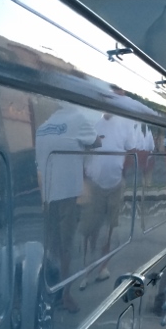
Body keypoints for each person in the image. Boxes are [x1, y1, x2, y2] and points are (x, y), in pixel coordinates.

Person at [35, 103, 98, 312]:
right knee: (66, 247)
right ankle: (65, 295)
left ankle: (49, 290)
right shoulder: (78, 118)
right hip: (67, 194)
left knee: (51, 246)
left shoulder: (43, 127)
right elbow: (96, 141)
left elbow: (39, 162)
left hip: (48, 195)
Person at [79, 111, 140, 289]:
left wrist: (122, 173)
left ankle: (102, 267)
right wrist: (85, 178)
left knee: (109, 228)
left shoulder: (125, 124)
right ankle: (85, 270)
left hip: (115, 185)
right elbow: (82, 151)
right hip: (94, 185)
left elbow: (131, 150)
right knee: (90, 228)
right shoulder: (92, 122)